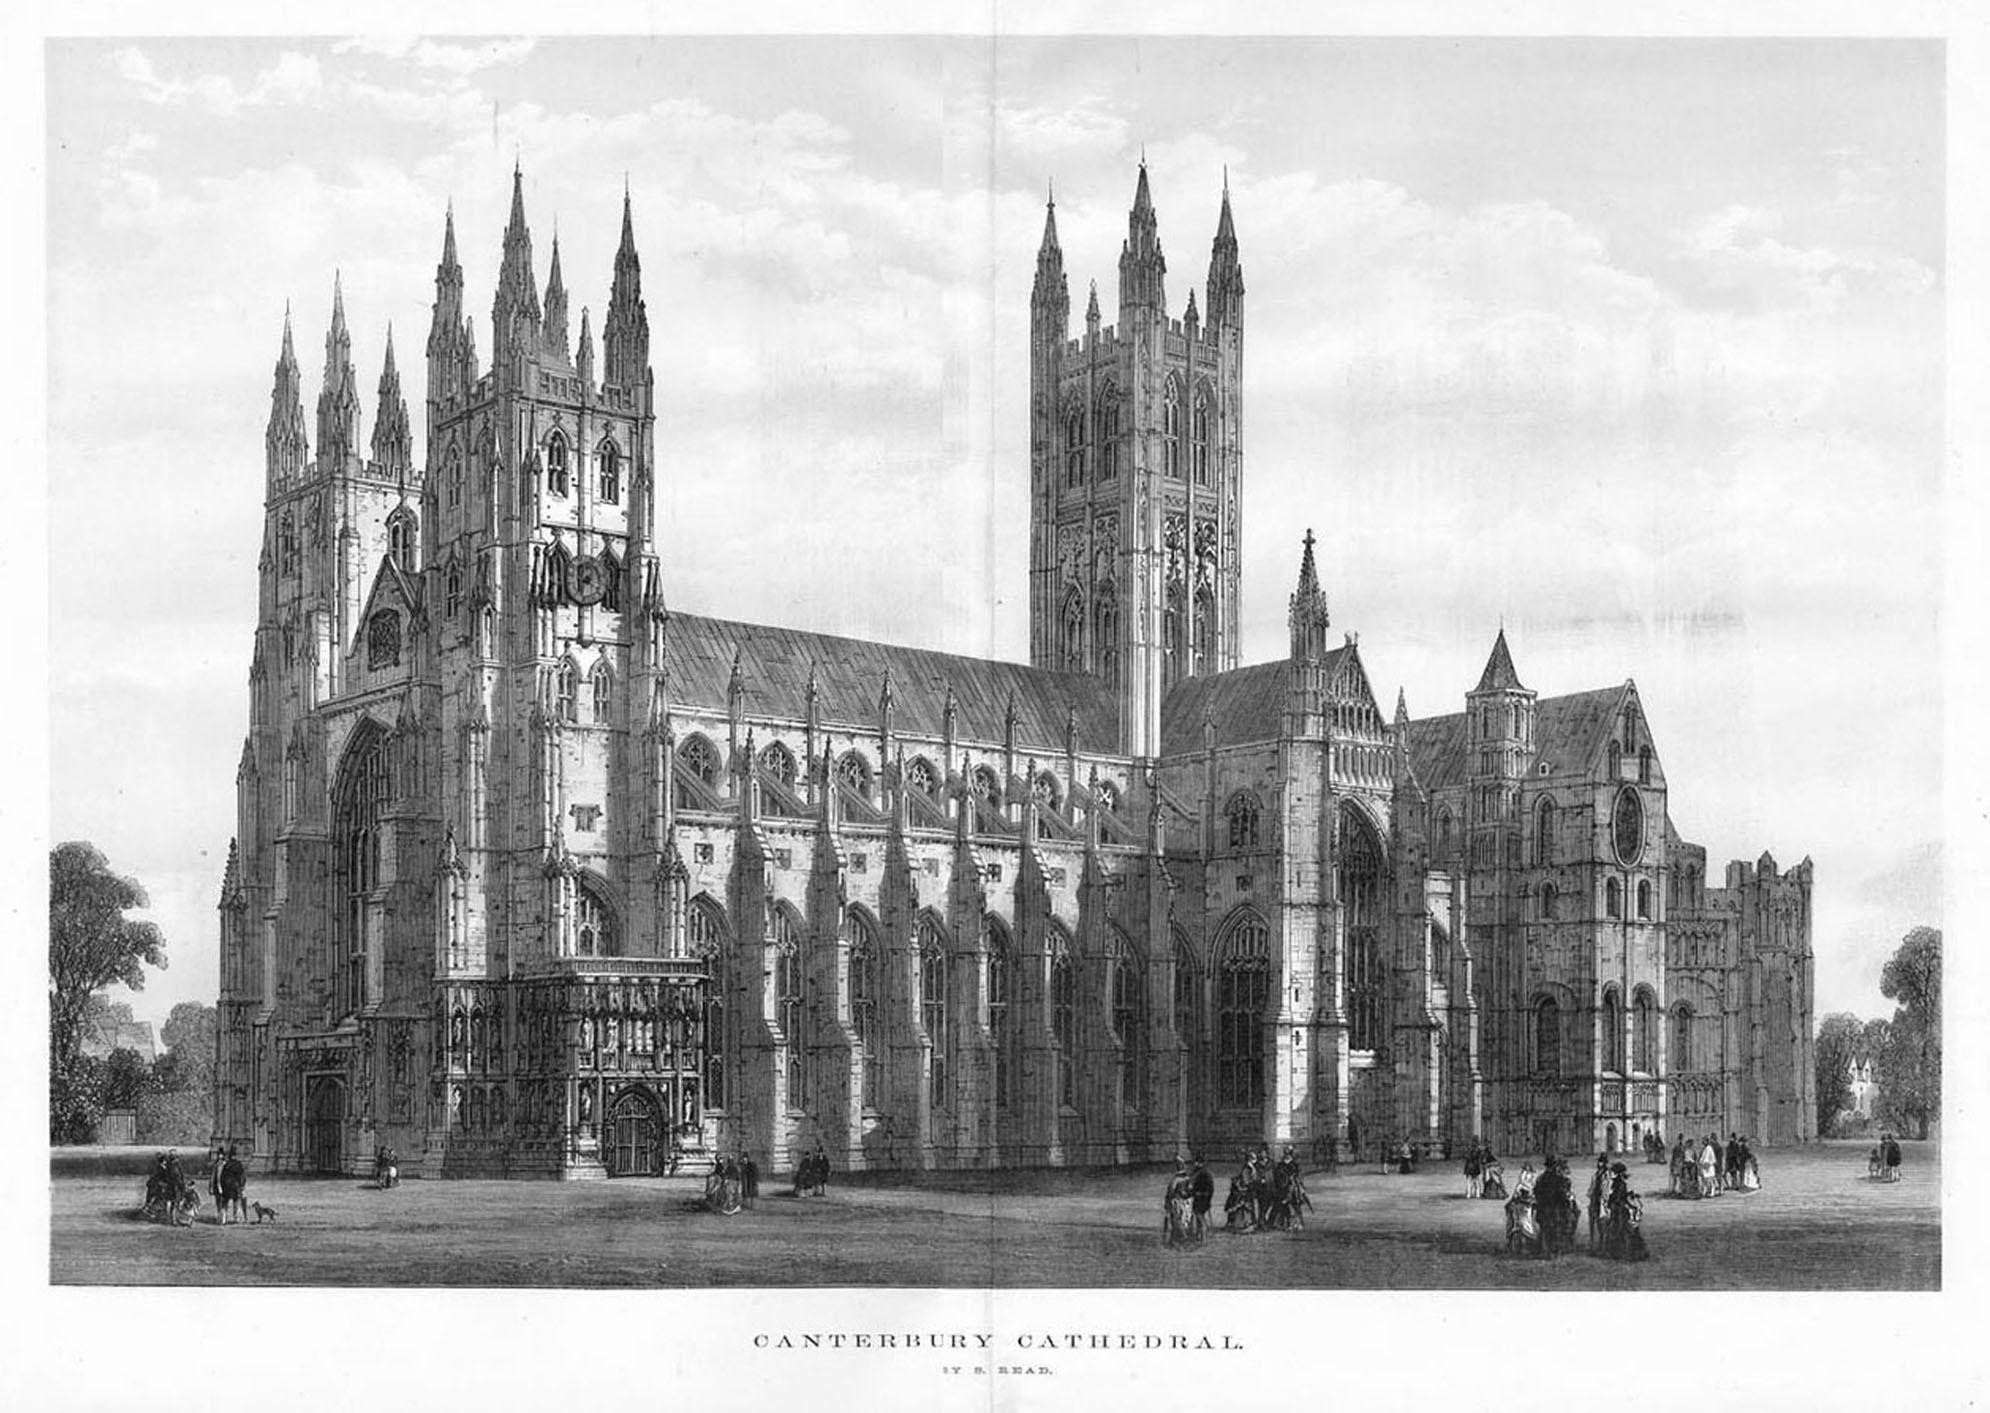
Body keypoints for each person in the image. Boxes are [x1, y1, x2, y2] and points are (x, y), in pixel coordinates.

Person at [1603, 1162, 1649, 1261]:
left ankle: (1621, 1253)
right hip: (1618, 1209)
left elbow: (1618, 1198)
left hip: (1619, 1210)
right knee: (1620, 1230)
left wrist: (1624, 1201)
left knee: (1619, 1230)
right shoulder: (1619, 1184)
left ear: (1617, 1173)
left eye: (1613, 1172)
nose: (1611, 1174)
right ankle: (1621, 1252)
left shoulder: (1619, 1184)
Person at [1587, 1154, 1610, 1250]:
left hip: (1601, 1200)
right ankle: (1593, 1244)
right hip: (1594, 1200)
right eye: (1599, 1162)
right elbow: (1592, 1187)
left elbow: (1606, 1189)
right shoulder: (1596, 1174)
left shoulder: (1606, 1175)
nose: (1599, 1163)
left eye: (1601, 1162)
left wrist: (1605, 1199)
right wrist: (1590, 1193)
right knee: (1593, 1222)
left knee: (1602, 1225)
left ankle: (1601, 1245)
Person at [1189, 1157, 1215, 1241]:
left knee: (1199, 1217)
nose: (1195, 1164)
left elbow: (1193, 1186)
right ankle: (1198, 1235)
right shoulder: (1204, 1173)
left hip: (1201, 1198)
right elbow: (1211, 1189)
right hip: (1203, 1199)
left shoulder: (1202, 1173)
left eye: (1197, 1162)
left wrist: (1193, 1192)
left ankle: (1202, 1236)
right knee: (1199, 1216)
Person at [221, 1147, 248, 1224]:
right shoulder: (238, 1165)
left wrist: (223, 1186)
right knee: (236, 1202)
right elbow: (242, 1177)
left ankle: (223, 1219)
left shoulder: (226, 1165)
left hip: (227, 1186)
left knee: (225, 1203)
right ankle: (237, 1218)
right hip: (235, 1186)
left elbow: (222, 1177)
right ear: (235, 1156)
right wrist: (242, 1186)